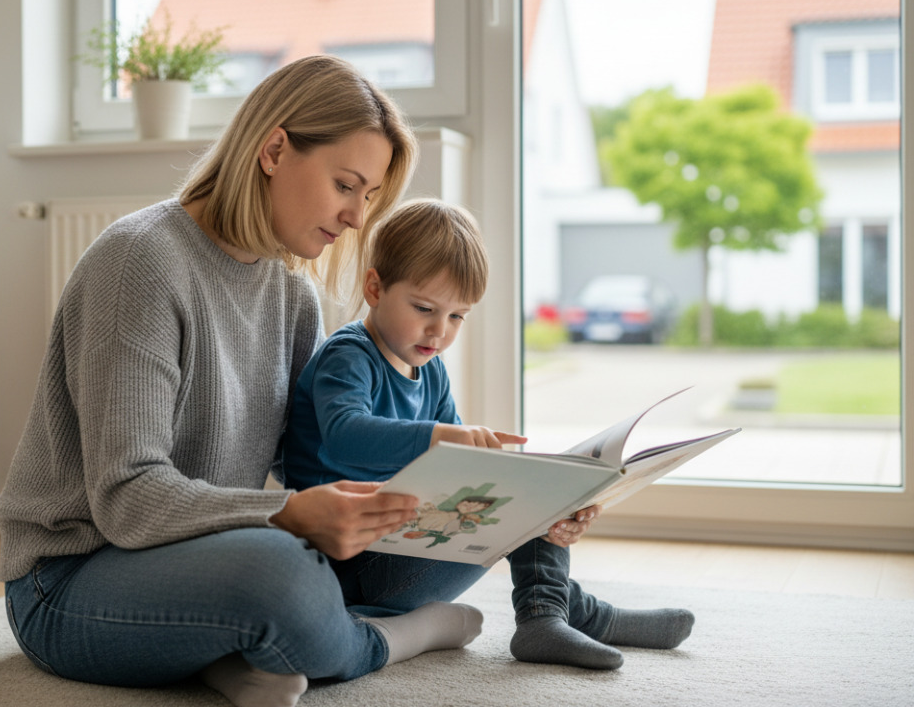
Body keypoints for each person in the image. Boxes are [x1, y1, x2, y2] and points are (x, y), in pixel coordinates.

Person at [0, 56, 489, 707]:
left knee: (470, 535)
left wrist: (424, 503)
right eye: (347, 186)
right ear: (275, 149)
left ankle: (235, 652)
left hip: (209, 548)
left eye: (369, 198)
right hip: (75, 574)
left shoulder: (292, 297)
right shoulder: (139, 261)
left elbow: (301, 462)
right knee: (284, 580)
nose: (356, 219)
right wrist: (286, 515)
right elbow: (127, 501)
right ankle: (392, 640)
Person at [279, 199, 696, 670]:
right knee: (520, 504)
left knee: (530, 495)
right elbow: (344, 436)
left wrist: (553, 508)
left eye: (458, 316)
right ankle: (569, 613)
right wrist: (442, 438)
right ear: (375, 287)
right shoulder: (348, 356)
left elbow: (455, 475)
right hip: (350, 567)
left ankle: (555, 611)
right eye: (424, 308)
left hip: (400, 547)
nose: (439, 330)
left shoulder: (430, 371)